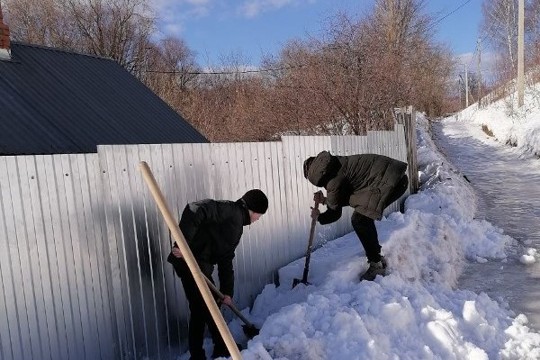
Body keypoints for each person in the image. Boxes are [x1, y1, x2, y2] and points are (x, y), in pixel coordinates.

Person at [167, 189, 268, 360]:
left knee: (207, 307)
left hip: (200, 266)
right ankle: (211, 351)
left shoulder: (235, 225)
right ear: (252, 210)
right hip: (190, 262)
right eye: (259, 215)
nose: (258, 219)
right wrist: (182, 243)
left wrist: (227, 291)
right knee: (203, 308)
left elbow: (226, 259)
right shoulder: (230, 211)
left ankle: (219, 347)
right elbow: (195, 209)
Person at [303, 151, 408, 281]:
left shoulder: (333, 181)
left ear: (314, 175)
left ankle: (376, 264)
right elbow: (349, 197)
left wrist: (318, 216)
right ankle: (377, 257)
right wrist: (325, 200)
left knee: (360, 220)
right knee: (362, 216)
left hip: (391, 183)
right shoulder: (336, 163)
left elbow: (335, 214)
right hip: (394, 178)